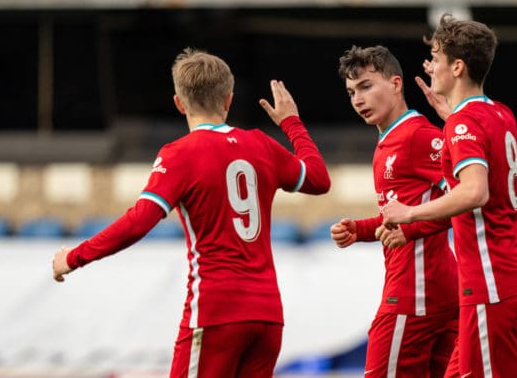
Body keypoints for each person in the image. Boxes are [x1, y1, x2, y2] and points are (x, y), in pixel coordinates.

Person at [52, 48, 331, 378]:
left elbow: (139, 221)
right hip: (267, 316)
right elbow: (318, 179)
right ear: (228, 100)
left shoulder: (179, 155)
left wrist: (75, 256)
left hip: (215, 312)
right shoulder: (261, 145)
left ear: (179, 103)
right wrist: (291, 123)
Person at [379, 14, 517, 378]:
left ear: (457, 66)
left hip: (491, 288)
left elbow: (475, 191)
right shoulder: (500, 113)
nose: (430, 66)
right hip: (512, 283)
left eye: (435, 58)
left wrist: (409, 213)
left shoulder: (463, 123)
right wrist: (450, 114)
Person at [330, 45, 458, 378]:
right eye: (351, 92)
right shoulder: (389, 141)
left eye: (366, 86)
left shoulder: (417, 136)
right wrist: (359, 230)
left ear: (396, 84)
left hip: (414, 294)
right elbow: (403, 215)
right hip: (433, 291)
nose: (358, 99)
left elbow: (466, 201)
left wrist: (411, 229)